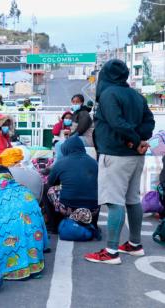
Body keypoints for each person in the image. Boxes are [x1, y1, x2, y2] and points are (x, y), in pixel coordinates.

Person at [85, 59, 155, 265]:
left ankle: (111, 250)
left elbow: (116, 123)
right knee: (132, 199)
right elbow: (149, 122)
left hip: (115, 155)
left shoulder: (108, 94)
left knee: (114, 201)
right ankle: (134, 244)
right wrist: (139, 140)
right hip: (136, 156)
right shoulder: (136, 96)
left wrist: (133, 141)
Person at [47, 136, 99, 228]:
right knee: (98, 190)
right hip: (92, 209)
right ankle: (93, 223)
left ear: (66, 149)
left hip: (69, 208)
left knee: (48, 189)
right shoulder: (94, 162)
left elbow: (51, 181)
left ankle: (54, 225)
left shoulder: (61, 163)